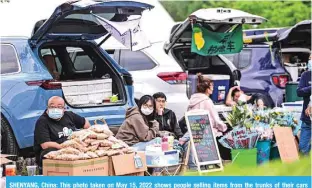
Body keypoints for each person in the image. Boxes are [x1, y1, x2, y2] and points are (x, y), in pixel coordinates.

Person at [180, 74, 229, 169]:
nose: (213, 89)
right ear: (207, 89)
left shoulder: (192, 101)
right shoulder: (207, 101)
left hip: (194, 132)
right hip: (207, 135)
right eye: (212, 87)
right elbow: (216, 121)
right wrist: (224, 127)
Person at [34, 96, 91, 173]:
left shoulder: (69, 115)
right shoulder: (42, 121)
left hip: (73, 147)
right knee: (49, 151)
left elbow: (86, 124)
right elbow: (45, 144)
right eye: (52, 106)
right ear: (47, 108)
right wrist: (65, 148)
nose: (55, 109)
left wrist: (84, 138)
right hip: (56, 149)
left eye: (59, 107)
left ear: (64, 109)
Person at [297, 53, 311, 155]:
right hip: (307, 119)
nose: (309, 61)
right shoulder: (305, 75)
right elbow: (299, 92)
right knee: (303, 147)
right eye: (309, 59)